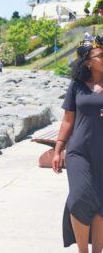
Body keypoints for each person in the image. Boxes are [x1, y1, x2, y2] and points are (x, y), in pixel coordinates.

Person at [52, 34, 103, 252]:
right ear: (88, 62)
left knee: (100, 203)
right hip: (78, 151)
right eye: (100, 55)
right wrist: (58, 149)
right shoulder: (77, 85)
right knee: (80, 197)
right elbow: (67, 120)